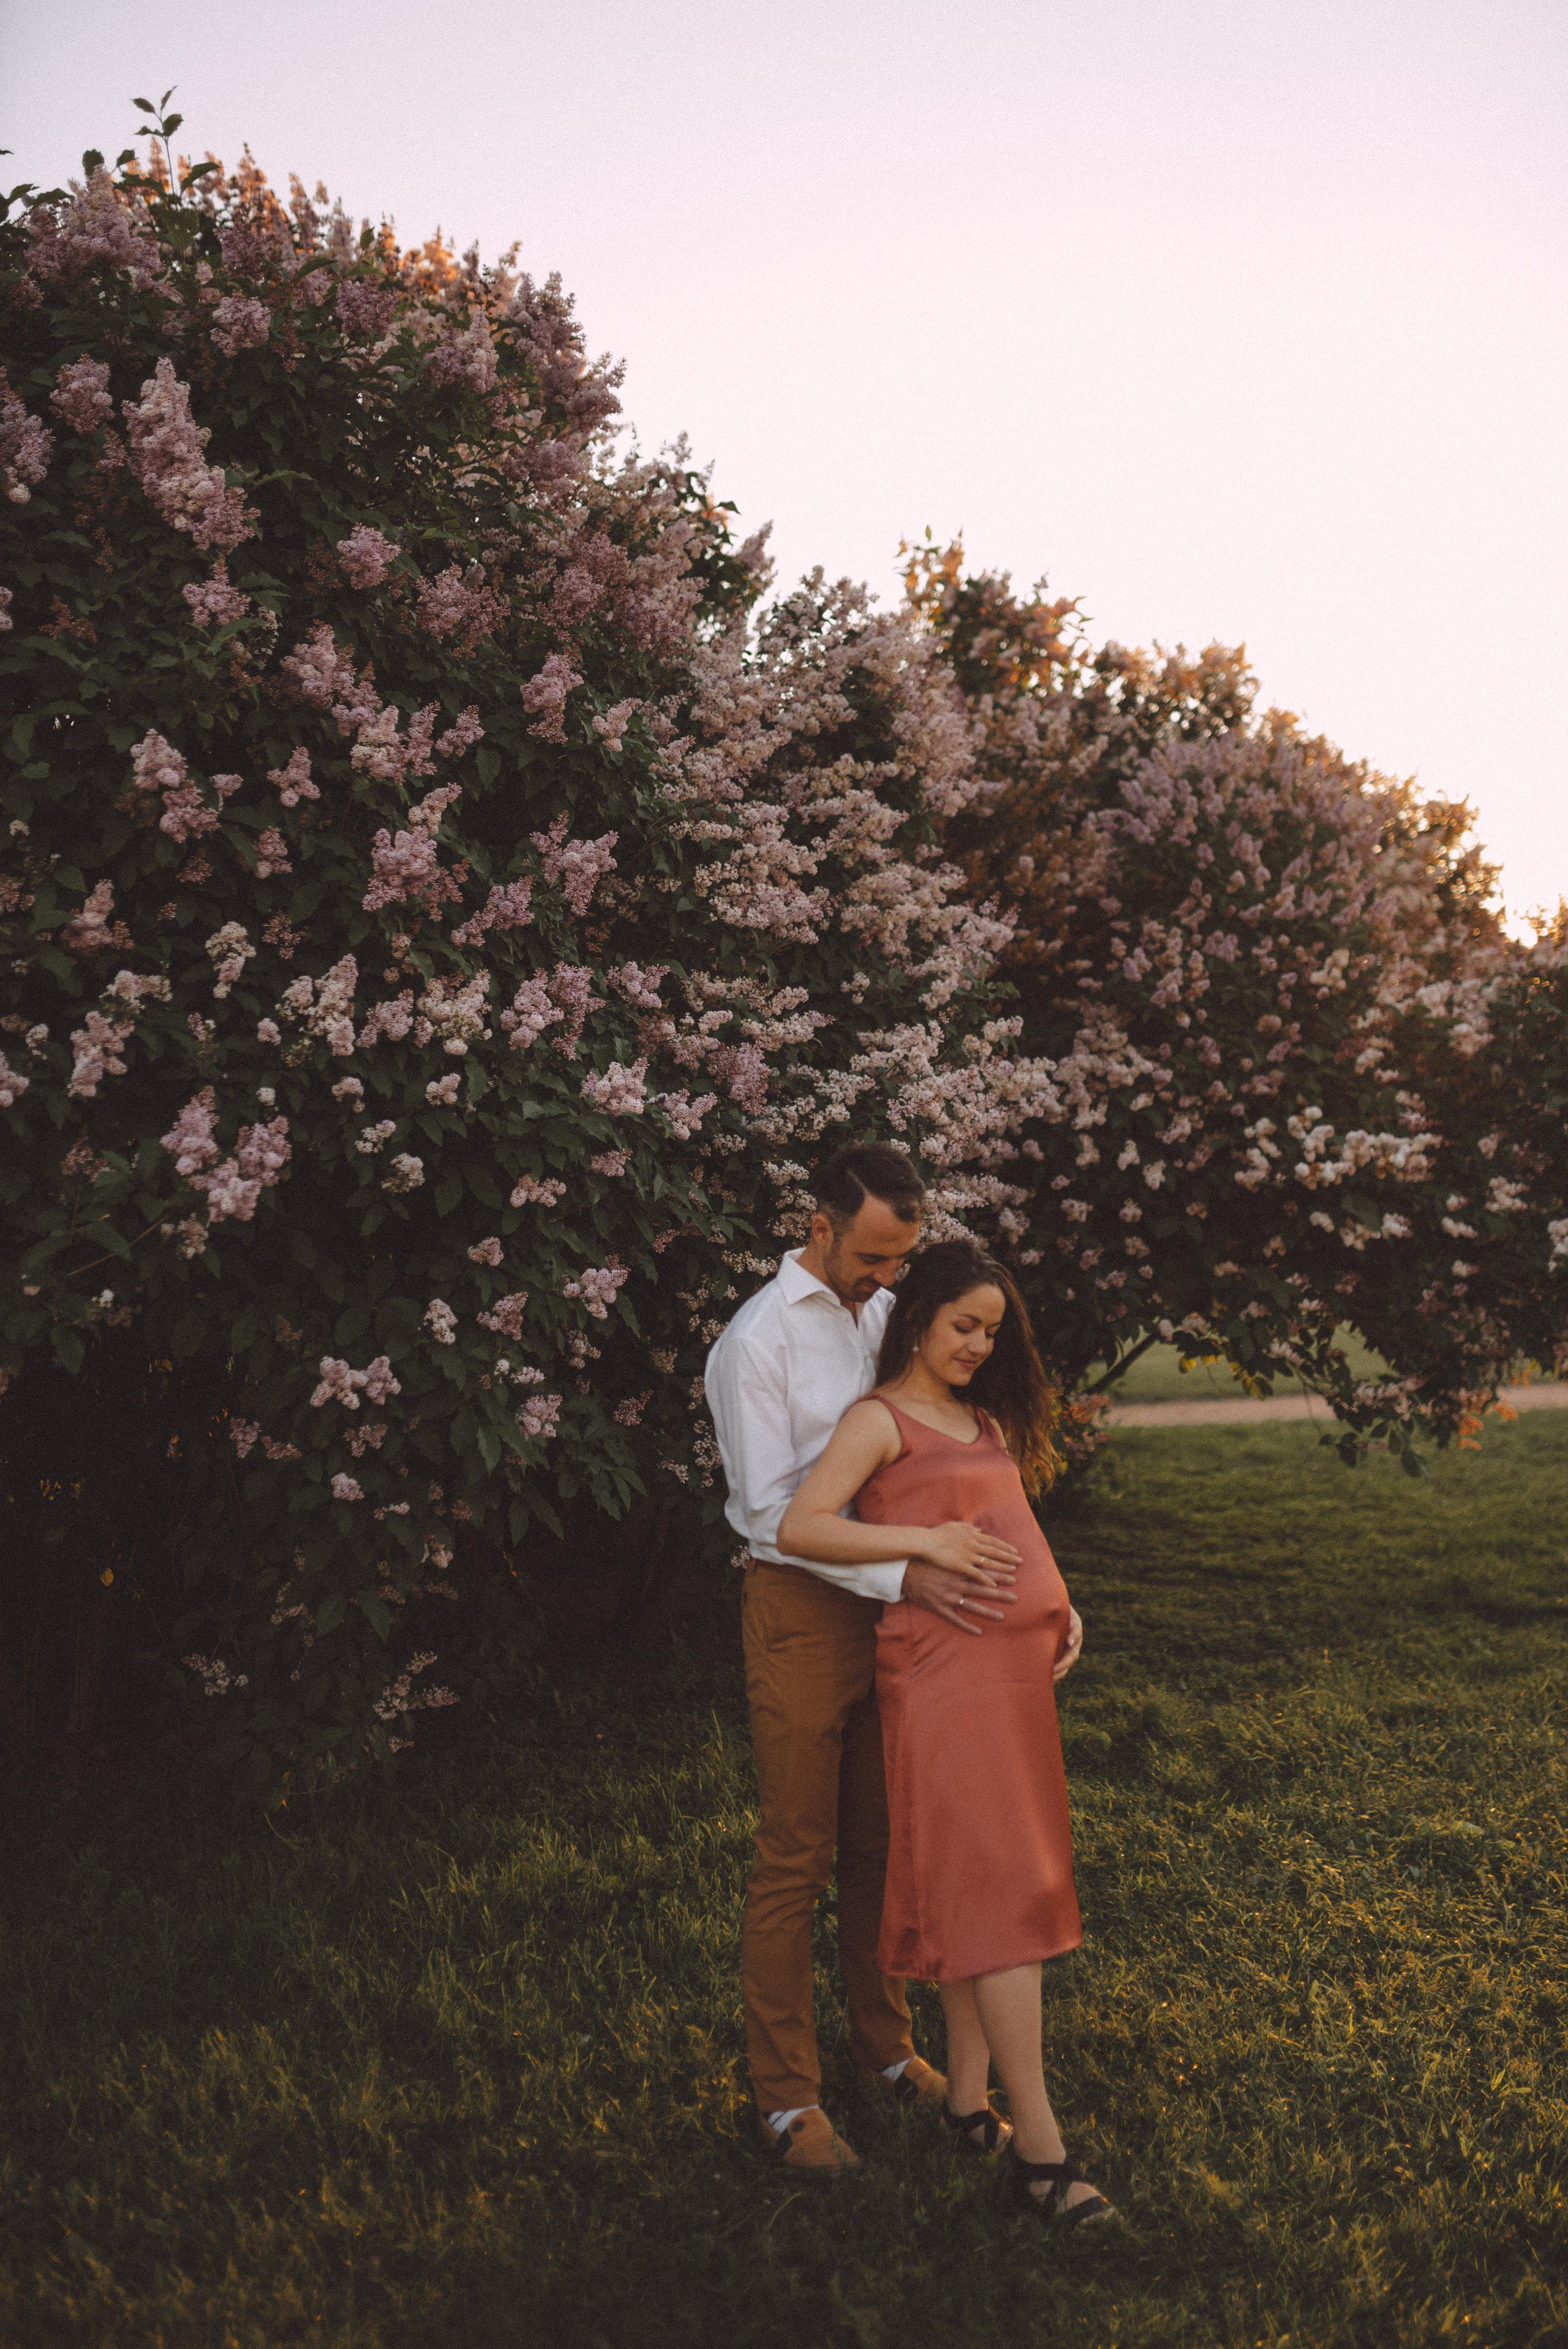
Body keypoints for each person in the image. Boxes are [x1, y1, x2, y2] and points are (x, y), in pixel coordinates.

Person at [705, 1146, 1037, 2174]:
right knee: (796, 1852)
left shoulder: (882, 1314)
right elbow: (772, 1520)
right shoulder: (755, 1343)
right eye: (874, 1257)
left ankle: (885, 2048)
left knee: (881, 1844)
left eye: (902, 1260)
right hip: (804, 1611)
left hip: (898, 1617)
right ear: (821, 1225)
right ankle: (788, 2101)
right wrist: (910, 1570)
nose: (889, 1279)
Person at [776, 1238, 1112, 2233]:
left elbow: (1011, 1526)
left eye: (992, 1331)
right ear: (918, 1317)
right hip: (944, 1686)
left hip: (1010, 1687)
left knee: (987, 1887)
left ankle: (967, 2102)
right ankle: (1041, 2152)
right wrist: (922, 1541)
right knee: (1004, 1899)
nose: (978, 1344)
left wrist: (1063, 1608)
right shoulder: (878, 1421)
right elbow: (802, 1524)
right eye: (964, 1324)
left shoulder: (982, 1420)